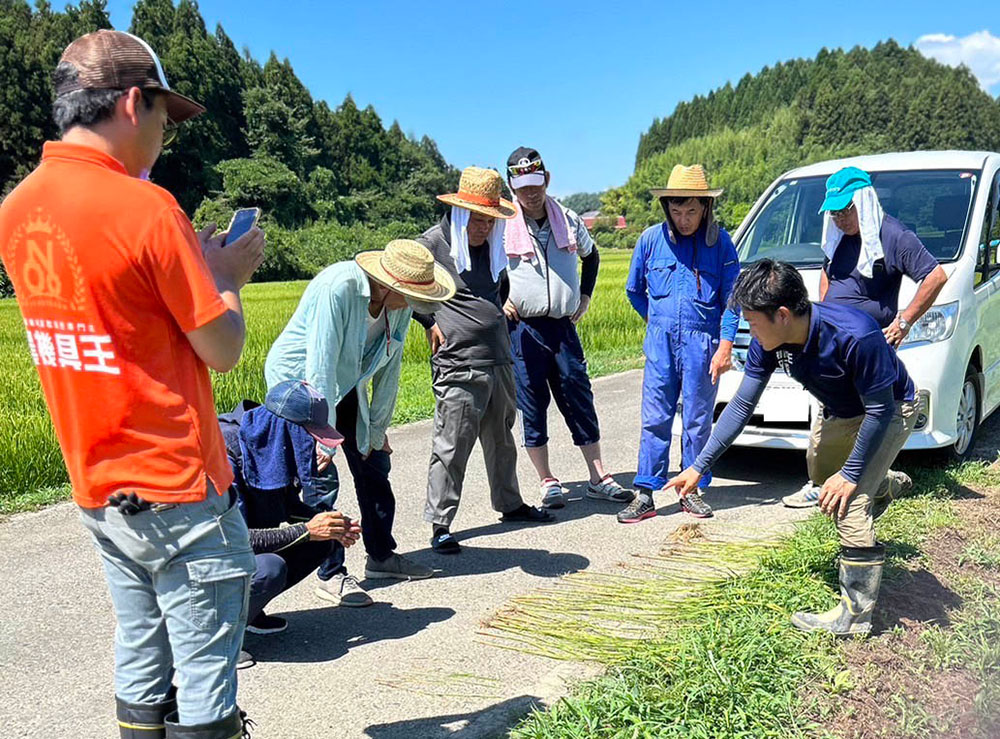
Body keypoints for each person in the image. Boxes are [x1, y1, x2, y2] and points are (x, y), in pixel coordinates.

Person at [0, 30, 264, 738]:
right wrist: (226, 279)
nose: (166, 132)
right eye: (163, 115)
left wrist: (196, 271)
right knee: (208, 657)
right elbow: (222, 347)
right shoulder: (149, 210)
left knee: (139, 642)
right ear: (128, 102)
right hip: (177, 480)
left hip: (97, 481)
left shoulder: (19, 209)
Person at [668, 259, 918, 636]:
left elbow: (881, 410)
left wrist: (852, 476)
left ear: (782, 314)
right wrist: (698, 466)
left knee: (846, 500)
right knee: (821, 479)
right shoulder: (768, 341)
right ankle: (882, 480)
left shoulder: (855, 335)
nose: (748, 329)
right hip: (840, 410)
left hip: (890, 410)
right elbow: (741, 406)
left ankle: (854, 615)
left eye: (752, 320)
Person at [265, 239, 455, 589]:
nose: (417, 307)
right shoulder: (338, 288)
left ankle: (381, 556)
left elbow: (389, 368)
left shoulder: (396, 306)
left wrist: (378, 430)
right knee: (321, 477)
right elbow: (320, 362)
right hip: (301, 386)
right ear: (388, 282)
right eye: (415, 296)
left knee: (375, 462)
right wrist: (324, 439)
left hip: (344, 382)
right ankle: (330, 572)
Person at [782, 166, 948, 509]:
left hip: (867, 352)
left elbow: (935, 276)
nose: (839, 218)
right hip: (831, 349)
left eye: (845, 210)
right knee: (828, 425)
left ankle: (867, 488)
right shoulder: (838, 238)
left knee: (870, 418)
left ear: (864, 201)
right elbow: (828, 275)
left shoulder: (895, 236)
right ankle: (837, 481)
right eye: (834, 212)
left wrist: (904, 321)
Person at [415, 166, 555, 554]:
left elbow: (499, 285)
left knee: (501, 437)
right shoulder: (432, 244)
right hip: (458, 363)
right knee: (452, 444)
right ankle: (440, 524)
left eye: (489, 221)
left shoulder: (490, 246)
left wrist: (502, 307)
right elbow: (400, 282)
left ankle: (510, 504)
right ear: (461, 213)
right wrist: (428, 320)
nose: (482, 229)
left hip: (498, 357)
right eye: (476, 220)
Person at [502, 147, 632, 508]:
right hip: (524, 329)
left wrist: (586, 296)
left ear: (547, 178)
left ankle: (598, 475)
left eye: (536, 183)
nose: (531, 192)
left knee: (578, 395)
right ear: (512, 186)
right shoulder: (503, 224)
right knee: (532, 402)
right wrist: (501, 300)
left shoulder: (569, 218)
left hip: (562, 326)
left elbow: (591, 256)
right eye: (523, 186)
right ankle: (547, 481)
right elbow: (487, 270)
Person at [618, 164, 740, 524]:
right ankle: (645, 492)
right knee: (655, 416)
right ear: (666, 208)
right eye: (676, 210)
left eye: (691, 211)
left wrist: (725, 346)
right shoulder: (650, 240)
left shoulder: (722, 244)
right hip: (660, 342)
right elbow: (633, 291)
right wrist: (655, 321)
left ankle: (693, 489)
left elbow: (733, 300)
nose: (683, 219)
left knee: (698, 418)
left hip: (703, 342)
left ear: (705, 208)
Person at [219, 381, 362, 668]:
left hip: (232, 548)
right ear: (288, 429)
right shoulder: (224, 453)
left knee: (326, 540)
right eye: (309, 436)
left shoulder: (266, 440)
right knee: (270, 568)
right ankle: (214, 641)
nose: (313, 445)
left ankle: (247, 613)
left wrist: (331, 524)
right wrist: (308, 530)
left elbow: (284, 505)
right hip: (199, 561)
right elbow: (232, 540)